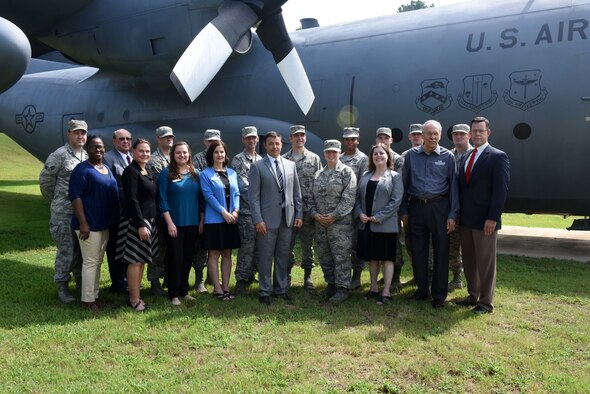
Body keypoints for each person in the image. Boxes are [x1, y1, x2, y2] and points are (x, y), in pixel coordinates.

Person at [401, 120, 459, 309]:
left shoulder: (448, 157)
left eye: (436, 134)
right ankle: (422, 290)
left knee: (441, 250)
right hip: (416, 208)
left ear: (440, 135)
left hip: (439, 207)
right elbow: (404, 183)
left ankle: (439, 295)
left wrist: (452, 214)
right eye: (429, 134)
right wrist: (404, 209)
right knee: (418, 251)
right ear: (422, 136)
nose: (432, 137)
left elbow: (454, 189)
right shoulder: (410, 156)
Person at [457, 116, 510, 314]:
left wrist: (493, 218)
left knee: (486, 263)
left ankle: (486, 303)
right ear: (470, 134)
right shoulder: (467, 156)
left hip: (485, 220)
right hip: (467, 220)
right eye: (474, 131)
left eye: (481, 130)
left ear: (488, 132)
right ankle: (473, 295)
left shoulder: (498, 156)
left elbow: (500, 191)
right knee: (469, 260)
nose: (477, 134)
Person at [249, 131, 303, 305]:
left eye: (277, 143)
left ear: (282, 144)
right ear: (265, 145)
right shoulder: (258, 166)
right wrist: (258, 220)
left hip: (287, 218)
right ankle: (265, 290)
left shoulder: (290, 165)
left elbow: (297, 193)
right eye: (271, 143)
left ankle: (280, 289)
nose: (274, 146)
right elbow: (253, 197)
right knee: (265, 256)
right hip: (266, 220)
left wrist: (299, 214)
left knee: (282, 255)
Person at [69, 136, 119, 312]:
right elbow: (75, 197)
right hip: (88, 226)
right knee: (90, 262)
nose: (98, 150)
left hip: (104, 224)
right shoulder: (81, 170)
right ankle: (87, 300)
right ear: (87, 149)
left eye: (101, 147)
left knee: (97, 262)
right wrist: (83, 223)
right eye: (94, 147)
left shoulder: (105, 168)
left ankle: (95, 296)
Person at [39, 119, 87, 304]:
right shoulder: (59, 155)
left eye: (83, 133)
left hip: (81, 213)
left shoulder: (86, 156)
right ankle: (62, 287)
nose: (80, 136)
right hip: (63, 213)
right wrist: (56, 201)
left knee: (81, 251)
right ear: (69, 134)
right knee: (66, 250)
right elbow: (45, 181)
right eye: (76, 132)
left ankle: (82, 285)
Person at [355, 144, 403, 305]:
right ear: (371, 157)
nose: (378, 156)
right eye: (375, 154)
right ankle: (374, 288)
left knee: (387, 259)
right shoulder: (365, 176)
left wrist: (379, 216)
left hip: (385, 225)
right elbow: (357, 198)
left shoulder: (395, 176)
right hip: (366, 224)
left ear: (388, 156)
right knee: (372, 258)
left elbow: (396, 200)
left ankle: (386, 292)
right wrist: (359, 213)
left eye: (382, 153)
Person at [310, 140, 356, 304]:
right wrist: (315, 214)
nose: (331, 155)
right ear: (324, 154)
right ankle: (331, 283)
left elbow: (349, 198)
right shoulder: (318, 174)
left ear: (339, 153)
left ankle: (343, 288)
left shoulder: (346, 172)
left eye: (334, 152)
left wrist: (334, 216)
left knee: (341, 256)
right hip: (320, 224)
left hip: (340, 225)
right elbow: (310, 198)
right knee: (325, 255)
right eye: (328, 152)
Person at [158, 142, 203, 306]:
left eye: (184, 152)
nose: (182, 155)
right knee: (175, 258)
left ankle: (184, 291)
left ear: (189, 154)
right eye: (178, 153)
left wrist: (201, 220)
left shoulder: (195, 174)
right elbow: (162, 200)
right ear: (173, 155)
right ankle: (173, 294)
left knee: (187, 258)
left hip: (192, 223)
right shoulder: (166, 174)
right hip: (174, 224)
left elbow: (201, 199)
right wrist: (169, 223)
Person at [118, 138, 159, 312]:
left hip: (149, 221)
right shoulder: (131, 171)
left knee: (142, 260)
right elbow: (132, 200)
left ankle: (137, 296)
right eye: (141, 150)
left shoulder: (145, 170)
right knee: (135, 261)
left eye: (148, 151)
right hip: (137, 222)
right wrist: (141, 224)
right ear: (133, 152)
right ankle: (134, 299)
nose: (145, 154)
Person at [282, 125, 322, 289]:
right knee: (287, 243)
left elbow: (319, 184)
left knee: (307, 244)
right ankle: (287, 274)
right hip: (289, 210)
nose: (299, 138)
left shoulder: (314, 159)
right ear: (290, 138)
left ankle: (308, 276)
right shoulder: (284, 159)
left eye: (302, 135)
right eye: (296, 135)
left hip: (308, 209)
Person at [201, 140, 241, 301]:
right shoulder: (206, 174)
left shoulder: (232, 173)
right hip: (215, 219)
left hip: (231, 219)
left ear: (225, 154)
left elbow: (237, 193)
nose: (219, 155)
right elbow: (208, 196)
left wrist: (236, 211)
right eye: (216, 152)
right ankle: (217, 288)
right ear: (211, 155)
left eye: (222, 152)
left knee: (227, 253)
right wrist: (224, 212)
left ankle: (226, 286)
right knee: (214, 253)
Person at [230, 126, 263, 294]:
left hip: (260, 213)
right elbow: (243, 186)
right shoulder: (238, 160)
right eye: (248, 138)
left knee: (259, 246)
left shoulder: (261, 159)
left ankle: (251, 274)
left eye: (253, 138)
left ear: (257, 139)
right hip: (246, 212)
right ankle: (241, 280)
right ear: (243, 140)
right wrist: (261, 191)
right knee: (247, 247)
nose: (251, 140)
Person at [191, 129, 222, 292]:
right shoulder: (198, 159)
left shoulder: (221, 157)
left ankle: (212, 277)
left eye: (215, 140)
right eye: (209, 141)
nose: (212, 143)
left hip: (217, 209)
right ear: (204, 142)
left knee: (215, 245)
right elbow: (197, 187)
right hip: (202, 206)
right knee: (200, 246)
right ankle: (199, 279)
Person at [146, 125, 174, 296]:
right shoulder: (153, 161)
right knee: (159, 249)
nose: (168, 139)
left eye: (170, 136)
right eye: (164, 137)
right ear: (158, 139)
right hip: (158, 212)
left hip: (175, 211)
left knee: (172, 247)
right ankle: (155, 281)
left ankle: (169, 278)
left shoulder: (176, 157)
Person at [103, 128, 133, 294]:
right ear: (114, 141)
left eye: (128, 139)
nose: (125, 142)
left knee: (128, 248)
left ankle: (128, 280)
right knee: (115, 249)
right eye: (121, 139)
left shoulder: (133, 158)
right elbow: (110, 186)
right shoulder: (108, 159)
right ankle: (118, 283)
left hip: (131, 214)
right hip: (117, 213)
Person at [339, 126, 368, 290]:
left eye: (353, 139)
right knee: (344, 245)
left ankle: (356, 277)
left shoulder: (363, 159)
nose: (350, 142)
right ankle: (343, 276)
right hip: (341, 209)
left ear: (358, 140)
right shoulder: (339, 158)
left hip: (356, 208)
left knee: (357, 244)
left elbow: (362, 186)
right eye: (347, 139)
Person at [376, 126, 405, 290]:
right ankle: (386, 276)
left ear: (391, 140)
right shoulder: (375, 156)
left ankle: (396, 278)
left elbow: (398, 187)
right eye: (380, 137)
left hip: (394, 210)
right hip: (378, 209)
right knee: (381, 244)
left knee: (394, 244)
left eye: (386, 138)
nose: (383, 140)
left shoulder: (398, 160)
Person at [449, 123, 473, 290]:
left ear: (469, 136)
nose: (458, 137)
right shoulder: (448, 155)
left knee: (472, 249)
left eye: (462, 134)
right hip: (453, 210)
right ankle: (457, 278)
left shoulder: (475, 155)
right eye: (455, 134)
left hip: (470, 210)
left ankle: (474, 283)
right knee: (452, 246)